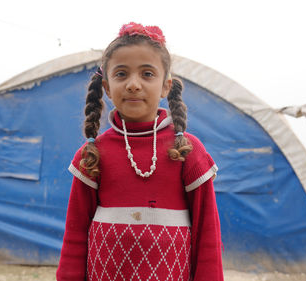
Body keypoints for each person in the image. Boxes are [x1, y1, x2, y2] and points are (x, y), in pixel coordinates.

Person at [56, 22, 223, 281]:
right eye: (121, 74)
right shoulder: (92, 154)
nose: (133, 84)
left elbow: (207, 233)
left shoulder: (187, 151)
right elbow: (76, 233)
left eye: (147, 74)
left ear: (166, 86)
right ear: (108, 88)